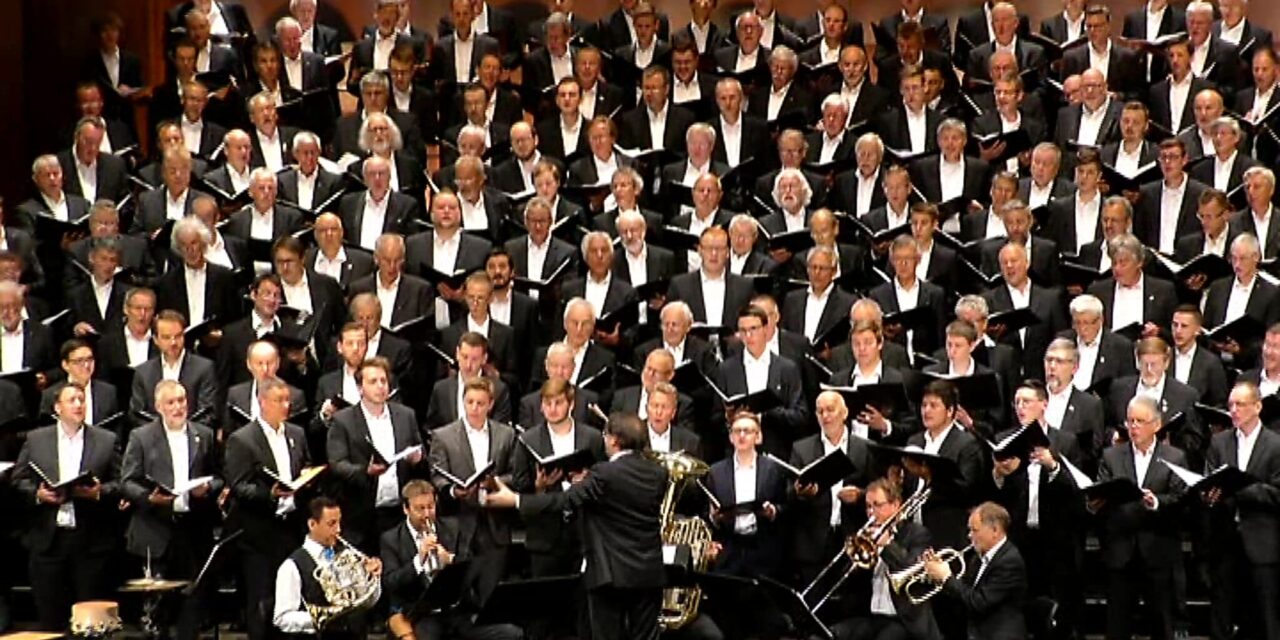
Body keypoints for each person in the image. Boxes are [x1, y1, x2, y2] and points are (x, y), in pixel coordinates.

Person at [484, 412, 667, 640]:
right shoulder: (658, 473)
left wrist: (516, 500)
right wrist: (588, 482)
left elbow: (563, 501)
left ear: (614, 440)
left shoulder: (603, 473)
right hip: (648, 573)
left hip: (611, 573)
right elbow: (622, 500)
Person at [13, 383, 120, 631]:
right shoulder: (36, 439)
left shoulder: (105, 440)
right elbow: (18, 480)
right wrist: (38, 494)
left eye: (82, 400)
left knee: (91, 622)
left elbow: (121, 482)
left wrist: (98, 493)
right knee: (51, 621)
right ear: (57, 407)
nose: (79, 405)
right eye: (72, 400)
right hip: (48, 542)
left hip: (90, 542)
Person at [120, 380, 221, 640]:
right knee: (156, 610)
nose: (178, 407)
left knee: (192, 604)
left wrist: (208, 488)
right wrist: (149, 498)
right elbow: (127, 481)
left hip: (193, 530)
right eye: (171, 402)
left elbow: (220, 476)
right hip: (155, 529)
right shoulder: (141, 437)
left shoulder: (204, 434)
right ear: (158, 406)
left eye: (182, 400)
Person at [224, 377, 314, 640]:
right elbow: (239, 486)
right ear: (262, 402)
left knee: (292, 596)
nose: (286, 406)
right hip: (259, 532)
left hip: (292, 527)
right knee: (262, 598)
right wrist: (269, 494)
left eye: (288, 400)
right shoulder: (242, 439)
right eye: (279, 400)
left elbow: (305, 462)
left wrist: (307, 476)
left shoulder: (296, 433)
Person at [1093, 395, 1188, 640]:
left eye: (1140, 421)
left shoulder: (1174, 457)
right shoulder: (1111, 456)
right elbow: (1101, 493)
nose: (1133, 427)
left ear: (1156, 424)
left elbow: (1181, 499)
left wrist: (1156, 502)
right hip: (1121, 552)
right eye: (1130, 421)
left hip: (1157, 551)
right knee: (1117, 625)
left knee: (1160, 623)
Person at [428, 377, 519, 605]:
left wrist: (494, 482)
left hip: (495, 524)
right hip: (459, 523)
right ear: (463, 402)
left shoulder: (506, 435)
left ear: (490, 404)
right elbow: (437, 476)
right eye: (470, 402)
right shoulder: (443, 436)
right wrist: (452, 490)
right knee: (459, 594)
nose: (475, 408)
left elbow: (516, 475)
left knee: (490, 594)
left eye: (480, 403)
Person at [1202, 381, 1280, 640]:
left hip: (1261, 544)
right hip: (1225, 541)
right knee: (1221, 615)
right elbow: (1208, 482)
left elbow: (1277, 493)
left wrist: (1241, 489)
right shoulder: (1219, 443)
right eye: (1231, 405)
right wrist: (1208, 494)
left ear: (1257, 407)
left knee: (1266, 618)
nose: (1233, 410)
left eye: (1240, 405)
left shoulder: (1275, 445)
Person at [327, 357, 425, 554]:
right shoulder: (343, 420)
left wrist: (419, 458)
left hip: (399, 512)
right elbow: (337, 464)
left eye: (383, 381)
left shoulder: (406, 415)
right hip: (361, 516)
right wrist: (366, 470)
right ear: (360, 388)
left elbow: (420, 449)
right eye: (373, 382)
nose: (380, 386)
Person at [827, 478, 942, 640]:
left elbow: (912, 571)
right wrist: (858, 557)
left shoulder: (917, 534)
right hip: (871, 617)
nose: (871, 512)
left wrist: (887, 544)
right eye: (868, 506)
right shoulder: (866, 534)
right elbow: (846, 582)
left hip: (903, 621)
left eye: (877, 505)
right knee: (830, 634)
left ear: (895, 505)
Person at [272, 497, 383, 637]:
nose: (338, 530)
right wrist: (323, 617)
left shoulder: (348, 555)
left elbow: (367, 603)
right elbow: (282, 618)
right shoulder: (291, 566)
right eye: (331, 524)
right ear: (312, 524)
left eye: (339, 522)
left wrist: (372, 578)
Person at [921, 502, 1027, 640]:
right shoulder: (978, 557)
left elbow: (979, 602)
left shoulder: (1009, 561)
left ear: (995, 530)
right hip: (976, 629)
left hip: (999, 633)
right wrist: (938, 576)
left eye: (974, 530)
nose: (969, 536)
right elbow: (964, 591)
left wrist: (947, 578)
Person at [705, 412, 787, 579]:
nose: (742, 435)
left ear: (758, 437)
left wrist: (772, 511)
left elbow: (785, 505)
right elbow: (707, 515)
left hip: (762, 550)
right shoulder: (716, 471)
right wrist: (714, 517)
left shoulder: (773, 469)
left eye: (748, 431)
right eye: (737, 431)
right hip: (729, 550)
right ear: (730, 437)